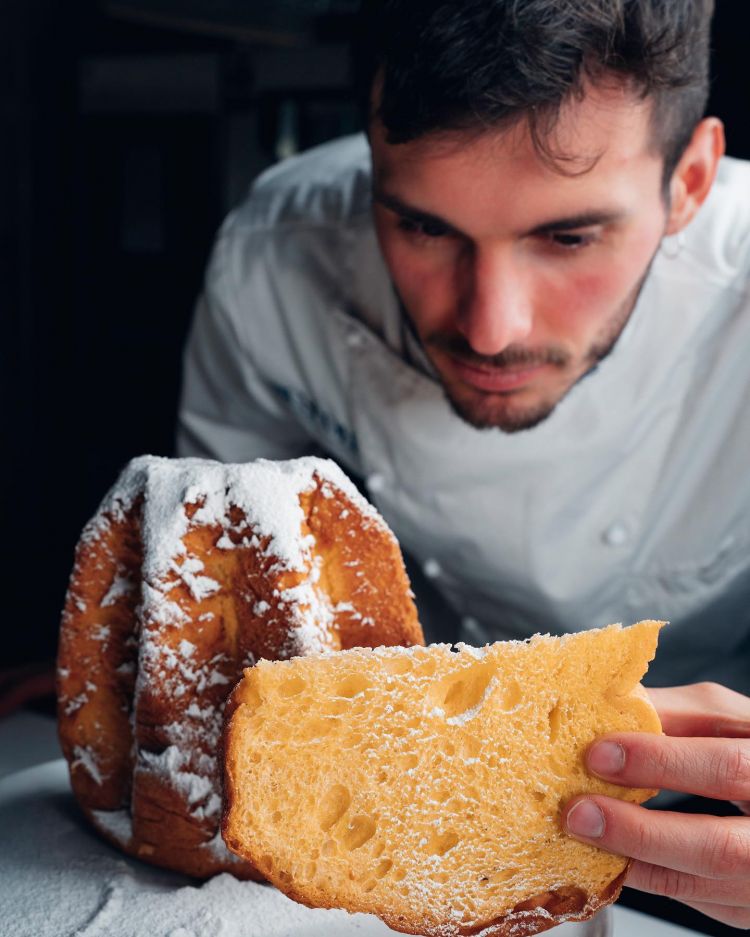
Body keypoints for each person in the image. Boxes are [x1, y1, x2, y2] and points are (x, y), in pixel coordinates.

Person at [177, 0, 750, 927]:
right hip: (386, 806)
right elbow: (222, 584)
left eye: (568, 238)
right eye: (424, 229)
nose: (492, 326)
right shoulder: (274, 262)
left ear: (690, 181)